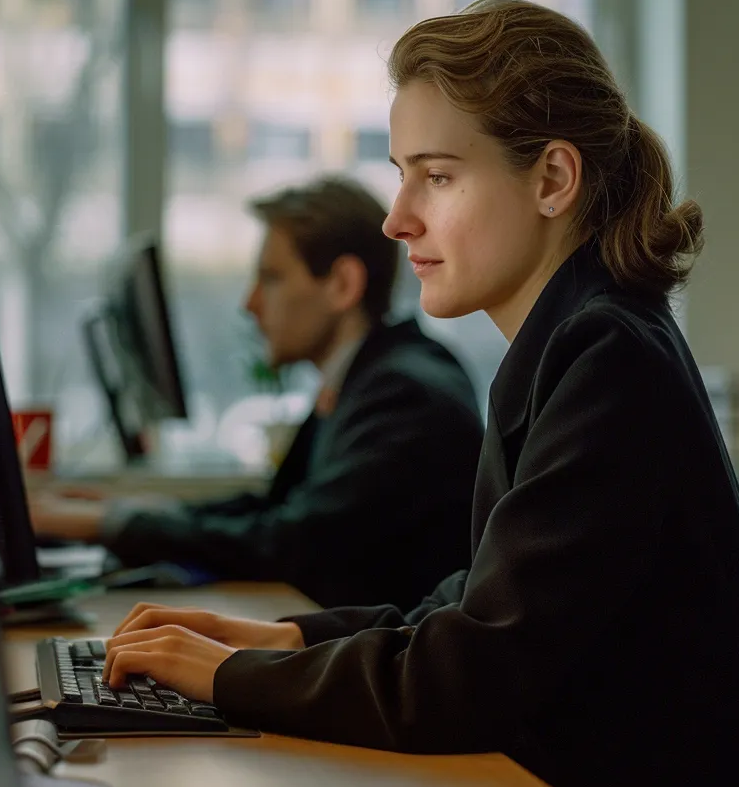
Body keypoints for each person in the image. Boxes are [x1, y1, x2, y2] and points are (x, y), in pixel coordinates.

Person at [100, 0, 739, 787]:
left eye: (437, 177)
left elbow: (468, 674)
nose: (397, 218)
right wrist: (292, 638)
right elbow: (480, 596)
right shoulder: (575, 338)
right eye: (401, 174)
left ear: (552, 180)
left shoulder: (607, 355)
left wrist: (229, 678)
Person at [32, 176, 483, 611]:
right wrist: (139, 513)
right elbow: (277, 505)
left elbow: (293, 542)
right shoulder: (367, 377)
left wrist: (114, 525)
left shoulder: (403, 395)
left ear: (342, 284)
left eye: (271, 278)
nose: (250, 304)